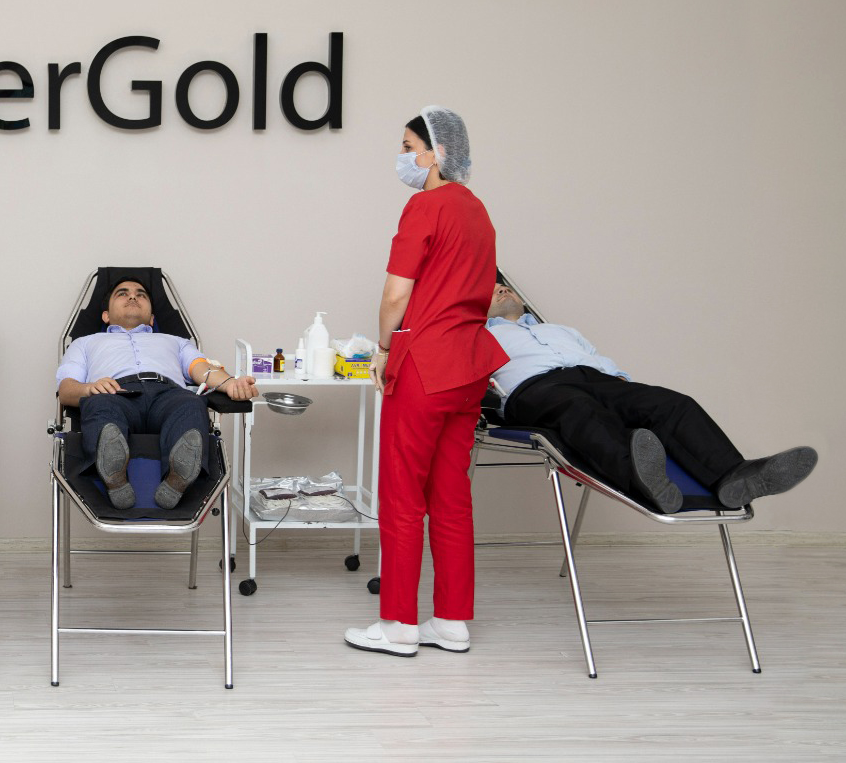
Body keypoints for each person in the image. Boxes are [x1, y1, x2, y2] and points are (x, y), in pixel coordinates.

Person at [345, 107, 507, 659]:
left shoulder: (425, 205)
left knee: (402, 496)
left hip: (424, 366)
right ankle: (452, 622)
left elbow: (397, 294)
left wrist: (383, 347)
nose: (403, 156)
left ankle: (397, 624)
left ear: (436, 154)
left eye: (409, 146)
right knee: (452, 496)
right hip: (469, 368)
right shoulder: (478, 211)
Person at [487, 284, 816, 513]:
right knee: (579, 410)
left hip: (598, 379)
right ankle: (643, 480)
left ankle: (734, 476)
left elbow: (597, 358)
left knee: (670, 404)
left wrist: (622, 385)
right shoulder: (479, 334)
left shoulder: (560, 330)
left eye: (506, 287)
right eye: (493, 289)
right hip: (533, 389)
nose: (502, 289)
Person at [56, 277, 258, 510]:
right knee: (99, 404)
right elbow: (66, 390)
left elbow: (202, 370)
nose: (133, 296)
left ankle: (176, 481)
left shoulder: (176, 342)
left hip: (169, 394)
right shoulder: (84, 343)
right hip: (114, 393)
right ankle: (114, 477)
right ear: (106, 316)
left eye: (141, 294)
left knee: (192, 404)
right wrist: (89, 388)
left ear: (152, 318)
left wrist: (230, 383)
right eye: (122, 293)